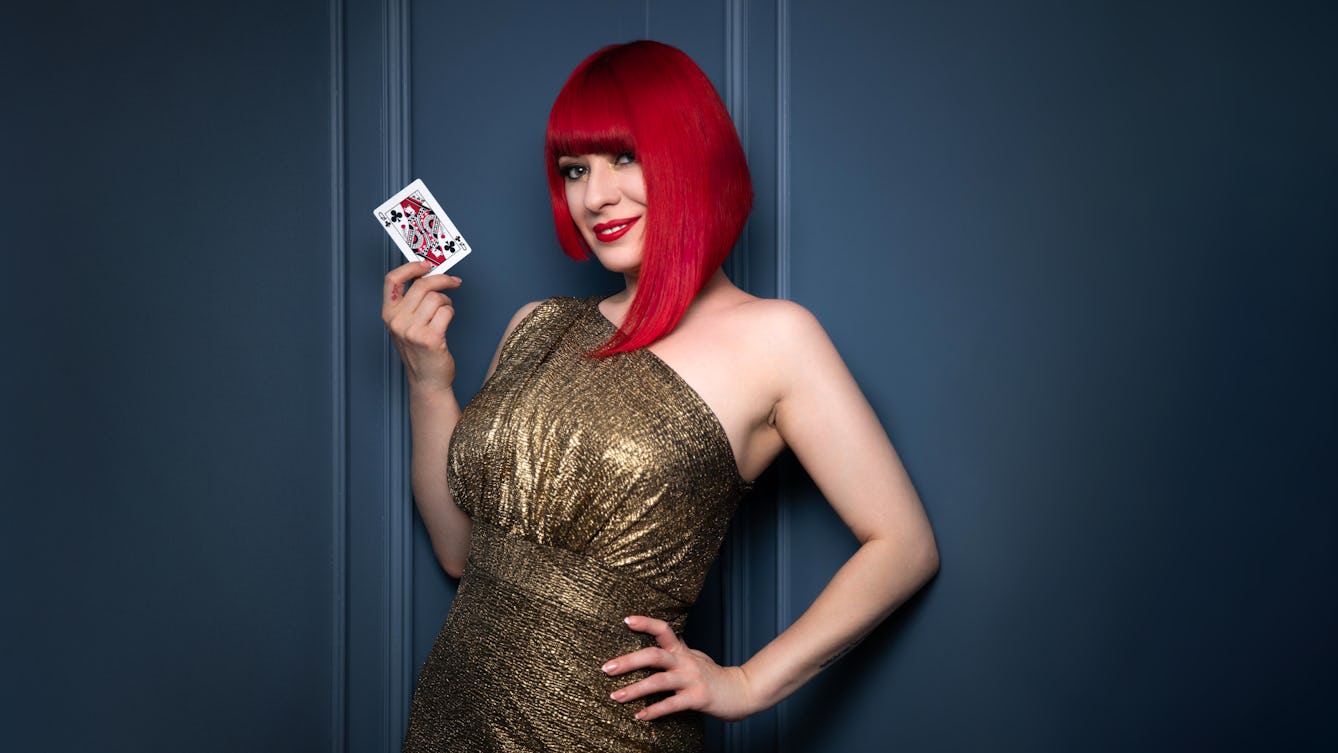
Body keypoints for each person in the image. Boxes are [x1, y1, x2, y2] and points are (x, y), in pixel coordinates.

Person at [381, 40, 939, 753]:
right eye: (575, 169)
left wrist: (746, 682)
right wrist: (429, 381)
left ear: (690, 156)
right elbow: (462, 552)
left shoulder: (776, 339)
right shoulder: (536, 325)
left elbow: (905, 545)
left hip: (605, 730)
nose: (594, 196)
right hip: (447, 718)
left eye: (625, 158)